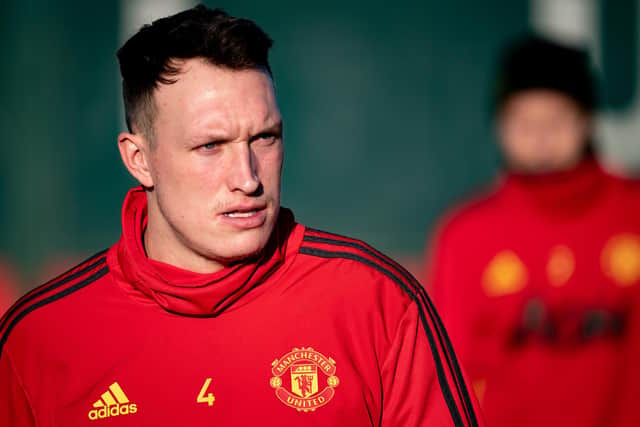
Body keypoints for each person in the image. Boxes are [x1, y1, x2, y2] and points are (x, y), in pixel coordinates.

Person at [0, 6, 480, 426]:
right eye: (210, 146)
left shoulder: (379, 303)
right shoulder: (37, 341)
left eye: (264, 138)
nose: (248, 178)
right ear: (139, 160)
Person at [425, 35, 640, 427]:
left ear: (587, 120)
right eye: (524, 121)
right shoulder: (466, 235)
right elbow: (446, 376)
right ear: (499, 125)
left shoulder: (632, 214)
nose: (540, 136)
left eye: (557, 119)